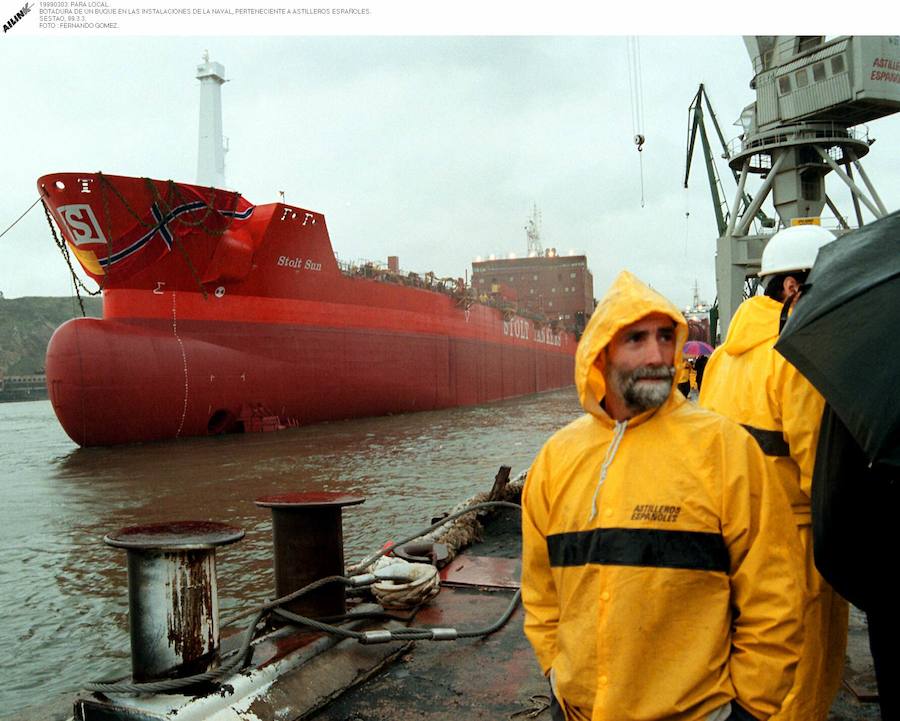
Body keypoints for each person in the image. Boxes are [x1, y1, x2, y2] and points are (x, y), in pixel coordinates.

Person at [521, 270, 804, 721]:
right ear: (601, 353)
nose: (658, 355)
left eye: (665, 338)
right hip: (578, 712)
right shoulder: (557, 460)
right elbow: (540, 590)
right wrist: (557, 672)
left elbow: (774, 595)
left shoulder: (725, 450)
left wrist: (751, 707)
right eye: (636, 339)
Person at [698, 225, 848, 721]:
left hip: (732, 543)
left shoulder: (720, 358)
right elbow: (820, 473)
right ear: (792, 288)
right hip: (797, 551)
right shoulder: (799, 360)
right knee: (801, 682)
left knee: (747, 673)